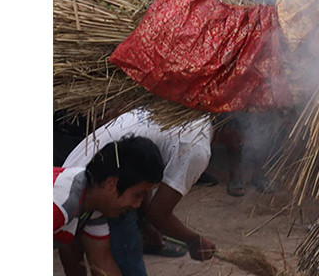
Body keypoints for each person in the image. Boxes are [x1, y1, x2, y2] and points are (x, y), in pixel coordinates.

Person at [63, 108, 217, 275]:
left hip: (81, 170)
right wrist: (194, 240)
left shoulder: (179, 112)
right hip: (102, 185)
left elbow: (144, 174)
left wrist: (144, 222)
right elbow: (158, 214)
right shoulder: (197, 147)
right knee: (125, 252)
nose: (136, 205)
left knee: (87, 247)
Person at [56, 136, 165, 276]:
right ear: (110, 184)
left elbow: (102, 261)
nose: (137, 205)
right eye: (138, 195)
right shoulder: (60, 205)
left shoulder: (92, 205)